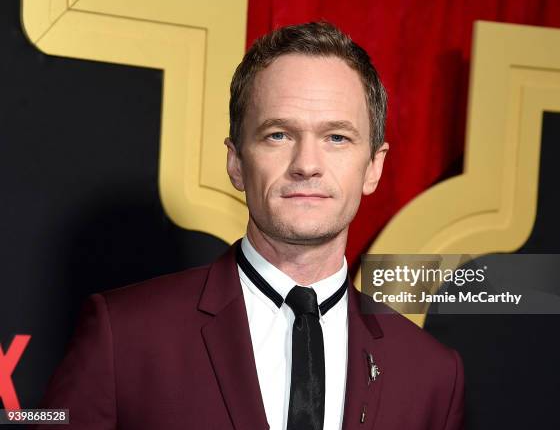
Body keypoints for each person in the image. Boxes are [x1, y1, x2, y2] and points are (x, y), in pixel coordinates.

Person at [34, 22, 464, 430]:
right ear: (236, 162)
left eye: (337, 137)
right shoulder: (125, 336)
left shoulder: (432, 375)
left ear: (373, 166)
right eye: (278, 134)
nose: (307, 165)